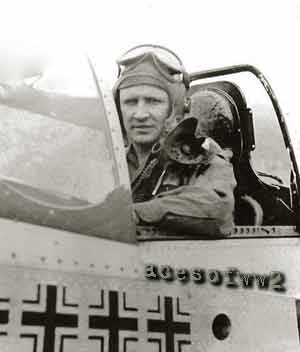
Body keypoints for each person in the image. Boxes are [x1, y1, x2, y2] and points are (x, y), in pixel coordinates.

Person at [113, 45, 236, 237]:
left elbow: (217, 206)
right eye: (130, 102)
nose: (140, 114)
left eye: (153, 101)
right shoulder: (109, 161)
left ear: (174, 108)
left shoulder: (203, 159)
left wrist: (135, 213)